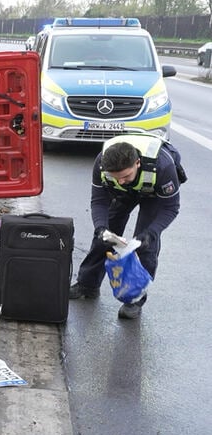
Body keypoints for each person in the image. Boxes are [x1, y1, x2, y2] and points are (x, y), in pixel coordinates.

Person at [69, 133, 182, 319]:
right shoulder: (101, 164)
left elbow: (170, 208)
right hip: (122, 194)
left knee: (145, 245)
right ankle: (87, 285)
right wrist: (100, 227)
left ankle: (135, 299)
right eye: (116, 177)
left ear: (137, 163)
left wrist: (152, 232)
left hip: (153, 193)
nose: (121, 180)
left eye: (125, 175)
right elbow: (99, 201)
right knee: (104, 237)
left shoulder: (163, 166)